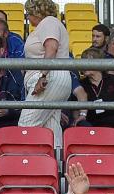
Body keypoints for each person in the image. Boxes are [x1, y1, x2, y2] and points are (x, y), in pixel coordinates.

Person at [19, 0, 71, 130]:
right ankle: (55, 150)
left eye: (28, 13)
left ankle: (22, 151)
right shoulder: (49, 23)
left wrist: (42, 76)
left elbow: (51, 48)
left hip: (49, 78)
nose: (27, 17)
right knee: (50, 130)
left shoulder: (48, 22)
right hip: (55, 78)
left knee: (26, 125)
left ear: (35, 12)